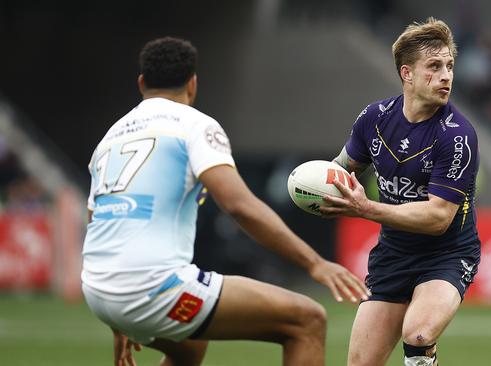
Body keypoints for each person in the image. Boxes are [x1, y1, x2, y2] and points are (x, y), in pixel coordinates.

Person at [81, 36, 369, 366]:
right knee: (307, 320)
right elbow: (239, 206)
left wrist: (118, 321)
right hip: (153, 287)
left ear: (142, 83)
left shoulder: (110, 137)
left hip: (98, 286)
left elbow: (97, 219)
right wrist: (315, 263)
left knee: (190, 346)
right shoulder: (193, 125)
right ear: (193, 84)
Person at [320, 18, 481, 366]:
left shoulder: (457, 135)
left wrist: (366, 209)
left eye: (450, 66)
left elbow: (438, 218)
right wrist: (316, 186)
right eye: (434, 67)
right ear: (407, 73)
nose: (446, 76)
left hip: (447, 254)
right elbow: (342, 168)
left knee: (419, 334)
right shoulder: (374, 118)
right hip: (393, 254)